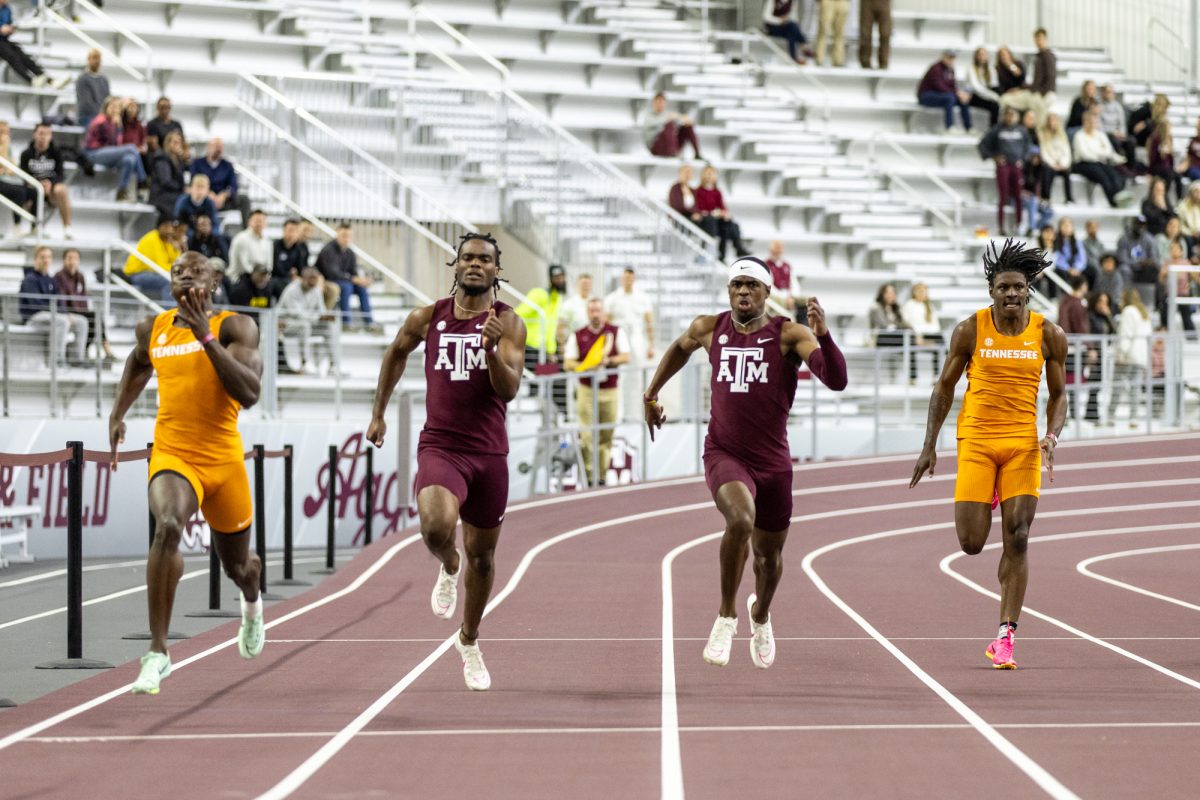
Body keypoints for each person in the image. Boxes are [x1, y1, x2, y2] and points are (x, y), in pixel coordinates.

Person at [643, 257, 847, 669]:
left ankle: (761, 614)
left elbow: (836, 379)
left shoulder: (788, 334)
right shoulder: (708, 328)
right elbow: (679, 349)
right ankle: (725, 616)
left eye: (752, 285)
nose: (743, 292)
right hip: (724, 453)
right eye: (737, 285)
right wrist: (651, 394)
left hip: (773, 464)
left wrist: (824, 338)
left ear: (767, 293)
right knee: (739, 521)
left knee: (768, 560)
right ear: (728, 290)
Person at [366, 233, 525, 691]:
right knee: (436, 527)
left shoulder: (508, 323)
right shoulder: (427, 317)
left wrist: (492, 350)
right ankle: (447, 563)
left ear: (497, 270)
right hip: (441, 446)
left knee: (485, 557)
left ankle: (469, 640)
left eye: (485, 260)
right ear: (454, 266)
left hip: (489, 454)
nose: (476, 265)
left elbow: (509, 390)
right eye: (468, 258)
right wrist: (378, 413)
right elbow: (396, 352)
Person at [108, 251, 265, 695]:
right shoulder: (153, 329)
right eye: (178, 271)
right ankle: (157, 652)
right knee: (169, 525)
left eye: (195, 271)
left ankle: (252, 603)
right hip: (174, 455)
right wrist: (118, 412)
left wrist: (204, 336)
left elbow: (250, 393)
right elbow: (138, 362)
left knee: (239, 566)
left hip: (223, 460)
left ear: (213, 281)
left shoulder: (236, 327)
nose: (185, 276)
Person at [910, 239, 1067, 670]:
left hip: (1022, 443)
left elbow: (1059, 396)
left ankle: (1005, 635)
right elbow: (944, 388)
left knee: (1017, 535)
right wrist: (929, 446)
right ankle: (991, 493)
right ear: (991, 291)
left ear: (1029, 289)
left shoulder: (1049, 334)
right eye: (1004, 287)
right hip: (977, 441)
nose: (1012, 294)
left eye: (1019, 287)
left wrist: (1051, 436)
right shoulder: (970, 330)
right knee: (972, 543)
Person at [563, 297, 630, 486]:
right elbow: (568, 363)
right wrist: (586, 366)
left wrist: (609, 361)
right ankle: (589, 477)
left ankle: (601, 475)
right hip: (586, 389)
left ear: (603, 312)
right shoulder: (578, 335)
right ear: (587, 312)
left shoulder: (615, 332)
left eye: (598, 310)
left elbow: (626, 356)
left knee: (607, 433)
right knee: (586, 434)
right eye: (592, 310)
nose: (595, 314)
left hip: (609, 390)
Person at [18, 245, 89, 367]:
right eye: (42, 257)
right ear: (36, 259)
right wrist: (60, 315)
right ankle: (57, 362)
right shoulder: (29, 279)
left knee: (82, 321)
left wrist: (66, 314)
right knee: (62, 321)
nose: (46, 260)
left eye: (49, 257)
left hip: (52, 316)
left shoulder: (51, 280)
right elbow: (36, 305)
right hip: (34, 317)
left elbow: (59, 301)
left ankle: (77, 360)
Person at [604, 267, 654, 420]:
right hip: (620, 337)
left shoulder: (643, 298)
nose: (628, 281)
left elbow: (649, 322)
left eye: (630, 278)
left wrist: (651, 344)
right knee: (620, 376)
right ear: (621, 279)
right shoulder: (612, 298)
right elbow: (607, 322)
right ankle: (620, 414)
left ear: (634, 279)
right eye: (625, 278)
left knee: (639, 375)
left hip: (637, 337)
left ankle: (638, 414)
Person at [54, 247, 115, 364]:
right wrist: (66, 314)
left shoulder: (80, 276)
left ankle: (83, 351)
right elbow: (60, 300)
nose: (72, 261)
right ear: (64, 260)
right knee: (94, 317)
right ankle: (106, 349)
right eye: (69, 258)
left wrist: (85, 310)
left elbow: (83, 297)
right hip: (67, 311)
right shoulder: (59, 276)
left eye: (75, 258)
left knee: (94, 320)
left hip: (80, 311)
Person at [978, 106, 1030, 235]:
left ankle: (1018, 225)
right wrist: (993, 156)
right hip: (1004, 166)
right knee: (1003, 196)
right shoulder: (997, 130)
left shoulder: (1021, 130)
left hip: (1016, 166)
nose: (1009, 117)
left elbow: (1028, 147)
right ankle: (1001, 226)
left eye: (1012, 114)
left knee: (1019, 196)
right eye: (1007, 114)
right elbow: (982, 145)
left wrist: (1023, 159)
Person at [84, 97, 147, 202]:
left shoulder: (114, 122)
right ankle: (142, 180)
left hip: (107, 154)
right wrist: (117, 127)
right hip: (94, 153)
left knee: (130, 159)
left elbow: (116, 144)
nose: (115, 110)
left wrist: (118, 126)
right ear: (106, 107)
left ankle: (121, 192)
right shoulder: (101, 120)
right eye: (112, 107)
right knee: (131, 148)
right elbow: (110, 142)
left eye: (118, 108)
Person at [316, 222, 375, 329]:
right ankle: (346, 322)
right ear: (337, 234)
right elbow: (332, 273)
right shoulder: (328, 250)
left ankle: (369, 322)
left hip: (344, 280)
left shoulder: (350, 252)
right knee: (347, 287)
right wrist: (353, 279)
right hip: (327, 280)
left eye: (349, 236)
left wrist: (362, 281)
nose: (347, 239)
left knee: (362, 288)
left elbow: (353, 271)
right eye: (344, 236)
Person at [19, 122, 73, 239]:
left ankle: (67, 229)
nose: (43, 137)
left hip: (51, 190)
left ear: (51, 136)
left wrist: (50, 184)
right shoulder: (26, 154)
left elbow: (60, 175)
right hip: (34, 188)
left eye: (47, 134)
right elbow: (24, 176)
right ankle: (35, 228)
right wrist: (38, 184)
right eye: (41, 133)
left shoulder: (56, 152)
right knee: (28, 192)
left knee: (61, 189)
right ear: (35, 134)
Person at [277, 266, 334, 374]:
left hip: (307, 322)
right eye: (310, 280)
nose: (312, 284)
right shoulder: (292, 290)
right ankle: (305, 362)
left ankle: (333, 365)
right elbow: (297, 314)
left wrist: (326, 316)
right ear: (303, 278)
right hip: (286, 324)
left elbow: (322, 310)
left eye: (315, 280)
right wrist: (318, 317)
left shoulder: (316, 290)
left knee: (328, 326)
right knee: (304, 325)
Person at [1108, 287, 1151, 425]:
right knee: (1135, 388)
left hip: (1128, 357)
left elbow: (1125, 335)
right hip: (1141, 357)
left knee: (1117, 386)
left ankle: (1110, 416)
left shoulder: (1128, 311)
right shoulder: (1143, 312)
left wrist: (1121, 354)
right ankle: (1134, 417)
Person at [1072, 110, 1131, 208]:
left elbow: (1108, 151)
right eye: (1089, 121)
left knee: (1114, 174)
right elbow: (1084, 154)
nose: (1092, 124)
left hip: (1099, 162)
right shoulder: (1079, 136)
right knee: (1103, 177)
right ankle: (1113, 201)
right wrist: (1100, 154)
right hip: (1083, 163)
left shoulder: (1100, 135)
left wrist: (1098, 154)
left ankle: (1120, 196)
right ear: (1084, 122)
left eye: (1093, 121)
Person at [514, 263, 566, 369]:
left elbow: (551, 327)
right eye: (556, 277)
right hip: (530, 346)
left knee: (545, 380)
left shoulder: (557, 299)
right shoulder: (539, 294)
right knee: (534, 381)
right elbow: (518, 313)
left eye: (562, 277)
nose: (560, 280)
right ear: (550, 278)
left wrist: (551, 350)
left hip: (544, 349)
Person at [191, 137, 252, 227]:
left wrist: (223, 195)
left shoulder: (227, 165)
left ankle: (246, 230)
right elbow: (194, 182)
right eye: (216, 146)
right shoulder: (197, 163)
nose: (219, 149)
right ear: (208, 147)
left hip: (223, 201)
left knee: (244, 199)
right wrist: (208, 194)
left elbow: (233, 186)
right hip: (203, 199)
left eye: (221, 147)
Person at [694, 164, 750, 260]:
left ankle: (724, 254)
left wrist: (724, 213)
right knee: (726, 225)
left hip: (718, 220)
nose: (710, 176)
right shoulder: (698, 191)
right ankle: (737, 247)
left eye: (712, 174)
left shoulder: (717, 192)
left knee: (728, 223)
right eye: (708, 174)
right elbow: (700, 208)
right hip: (706, 220)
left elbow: (722, 207)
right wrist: (714, 213)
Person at [124, 214, 181, 301]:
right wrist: (178, 271)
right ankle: (169, 313)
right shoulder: (152, 238)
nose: (169, 230)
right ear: (159, 226)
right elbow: (160, 266)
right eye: (166, 226)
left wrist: (176, 249)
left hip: (152, 273)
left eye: (171, 226)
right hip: (137, 274)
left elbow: (176, 262)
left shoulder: (167, 241)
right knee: (169, 281)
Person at [0, 0, 56, 87]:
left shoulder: (7, 9)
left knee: (21, 53)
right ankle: (31, 80)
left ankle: (44, 77)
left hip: (3, 40)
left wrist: (11, 29)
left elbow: (9, 24)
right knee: (12, 56)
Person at [1057, 273, 1090, 420]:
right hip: (1076, 349)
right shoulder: (1077, 303)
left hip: (1065, 347)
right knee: (1075, 383)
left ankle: (1063, 414)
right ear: (1083, 286)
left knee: (1066, 382)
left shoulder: (1064, 301)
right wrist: (1089, 346)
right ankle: (1074, 415)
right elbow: (1081, 327)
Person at [917, 51, 972, 134]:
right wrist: (957, 93)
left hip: (942, 95)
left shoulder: (950, 69)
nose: (951, 60)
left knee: (962, 99)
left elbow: (953, 86)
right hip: (927, 95)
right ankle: (949, 127)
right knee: (950, 98)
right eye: (949, 57)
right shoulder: (935, 68)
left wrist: (960, 94)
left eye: (953, 58)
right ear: (943, 57)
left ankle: (969, 127)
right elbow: (939, 87)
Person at [900, 282, 944, 383]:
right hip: (914, 335)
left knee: (940, 339)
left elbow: (936, 326)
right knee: (911, 342)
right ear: (914, 292)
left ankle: (936, 376)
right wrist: (918, 334)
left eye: (924, 291)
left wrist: (925, 335)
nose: (923, 293)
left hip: (928, 334)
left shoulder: (929, 306)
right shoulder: (908, 305)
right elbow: (907, 323)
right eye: (920, 291)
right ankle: (913, 377)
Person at [869, 282, 912, 379]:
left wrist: (910, 329)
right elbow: (884, 325)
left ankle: (912, 378)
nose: (891, 295)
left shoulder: (896, 308)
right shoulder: (876, 307)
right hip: (881, 337)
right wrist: (898, 327)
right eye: (888, 293)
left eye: (893, 293)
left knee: (910, 340)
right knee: (910, 341)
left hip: (895, 336)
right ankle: (911, 377)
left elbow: (903, 323)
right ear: (882, 294)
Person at [642, 92, 701, 160]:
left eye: (662, 102)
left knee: (687, 127)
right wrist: (671, 118)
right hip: (656, 147)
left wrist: (684, 119)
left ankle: (697, 154)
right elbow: (656, 123)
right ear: (654, 103)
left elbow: (681, 121)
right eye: (658, 102)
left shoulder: (667, 114)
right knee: (668, 125)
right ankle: (672, 152)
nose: (660, 104)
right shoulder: (649, 116)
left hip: (670, 146)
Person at [1097, 84, 1138, 168]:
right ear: (1103, 93)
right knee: (1114, 141)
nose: (1109, 94)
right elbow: (1099, 126)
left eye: (1111, 92)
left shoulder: (1118, 106)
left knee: (1131, 141)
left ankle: (1131, 166)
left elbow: (1122, 123)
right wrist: (1112, 132)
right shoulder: (1099, 107)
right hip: (1107, 134)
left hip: (1118, 134)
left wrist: (1121, 133)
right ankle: (1120, 165)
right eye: (1107, 92)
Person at [1037, 113, 1073, 205]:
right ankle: (1046, 197)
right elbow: (1044, 152)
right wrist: (1053, 164)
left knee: (1067, 172)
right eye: (1050, 120)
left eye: (1054, 120)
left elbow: (1067, 151)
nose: (1052, 123)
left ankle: (1069, 198)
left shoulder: (1062, 135)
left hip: (1061, 163)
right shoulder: (1042, 135)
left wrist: (1063, 164)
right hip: (1050, 163)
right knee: (1047, 171)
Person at [149, 130, 187, 217]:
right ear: (168, 143)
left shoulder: (178, 161)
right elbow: (166, 181)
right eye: (175, 142)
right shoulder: (161, 158)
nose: (178, 145)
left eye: (179, 143)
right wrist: (182, 188)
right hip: (161, 195)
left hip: (171, 193)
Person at [1146, 117, 1184, 204]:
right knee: (1168, 174)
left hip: (1167, 168)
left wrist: (1173, 168)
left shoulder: (1169, 139)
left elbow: (1171, 158)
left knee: (1178, 176)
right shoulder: (1155, 140)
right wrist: (1150, 173)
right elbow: (1152, 157)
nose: (1170, 129)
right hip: (1157, 166)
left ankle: (1180, 200)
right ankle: (1164, 197)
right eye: (1169, 127)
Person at [228, 208, 271, 283]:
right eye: (256, 220)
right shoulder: (241, 238)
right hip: (240, 278)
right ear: (249, 222)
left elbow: (269, 266)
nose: (259, 223)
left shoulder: (267, 242)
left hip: (260, 280)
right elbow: (245, 266)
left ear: (266, 224)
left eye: (262, 220)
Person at [762, 0, 809, 64]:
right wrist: (780, 20)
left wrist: (788, 20)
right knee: (791, 28)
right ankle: (803, 45)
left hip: (786, 27)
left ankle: (793, 57)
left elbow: (794, 17)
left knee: (791, 30)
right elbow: (766, 17)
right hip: (772, 27)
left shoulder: (792, 1)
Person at [963, 47, 1000, 128]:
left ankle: (993, 129)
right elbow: (977, 88)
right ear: (976, 56)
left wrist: (995, 96)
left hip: (986, 95)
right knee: (994, 103)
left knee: (995, 105)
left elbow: (994, 84)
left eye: (984, 55)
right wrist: (994, 96)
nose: (982, 57)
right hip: (973, 95)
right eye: (980, 55)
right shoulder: (971, 68)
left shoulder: (990, 68)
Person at [75, 49, 109, 131]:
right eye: (94, 58)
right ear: (88, 60)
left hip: (102, 117)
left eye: (98, 59)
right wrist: (100, 116)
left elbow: (107, 100)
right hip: (87, 117)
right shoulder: (82, 79)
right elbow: (86, 102)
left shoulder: (104, 80)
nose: (96, 61)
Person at [765, 239, 801, 314]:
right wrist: (784, 298)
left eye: (779, 250)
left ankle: (804, 324)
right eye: (775, 250)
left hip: (789, 296)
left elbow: (794, 284)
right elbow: (769, 287)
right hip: (776, 296)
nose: (777, 253)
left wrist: (792, 297)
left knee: (808, 302)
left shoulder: (787, 266)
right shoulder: (766, 266)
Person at [556, 271, 592, 345]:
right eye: (583, 284)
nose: (586, 286)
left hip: (593, 344)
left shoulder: (595, 303)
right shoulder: (568, 305)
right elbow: (560, 328)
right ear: (577, 285)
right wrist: (562, 346)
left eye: (588, 284)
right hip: (575, 344)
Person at [1029, 28, 1057, 121]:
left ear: (1045, 39)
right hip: (1039, 91)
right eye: (1036, 39)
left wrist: (1042, 93)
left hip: (1046, 93)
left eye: (1040, 38)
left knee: (1041, 118)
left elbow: (1051, 75)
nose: (1038, 41)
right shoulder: (1038, 56)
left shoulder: (1048, 56)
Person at [1053, 217, 1090, 287]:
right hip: (1062, 268)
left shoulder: (1077, 242)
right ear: (1060, 228)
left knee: (1090, 271)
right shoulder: (1055, 241)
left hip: (1074, 268)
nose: (1067, 228)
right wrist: (1068, 269)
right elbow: (1057, 258)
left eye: (1069, 226)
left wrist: (1077, 268)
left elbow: (1082, 257)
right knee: (1061, 273)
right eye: (1064, 225)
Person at [814, 0, 850, 67]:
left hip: (843, 2)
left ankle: (838, 60)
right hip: (827, 2)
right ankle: (819, 58)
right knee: (823, 30)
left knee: (840, 33)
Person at [272, 217, 309, 281]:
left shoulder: (300, 248)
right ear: (284, 230)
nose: (292, 234)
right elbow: (276, 268)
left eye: (296, 231)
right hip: (277, 279)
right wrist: (290, 275)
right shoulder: (275, 245)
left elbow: (301, 268)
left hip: (294, 280)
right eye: (290, 230)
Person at [857, 0, 891, 70]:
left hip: (884, 3)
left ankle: (884, 63)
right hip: (867, 2)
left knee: (885, 33)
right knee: (865, 33)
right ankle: (865, 62)